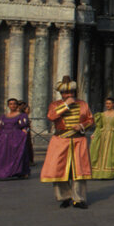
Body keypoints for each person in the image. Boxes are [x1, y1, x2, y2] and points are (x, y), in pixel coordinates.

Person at [41, 76, 94, 209]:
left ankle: (78, 198)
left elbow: (90, 120)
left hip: (78, 140)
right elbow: (51, 116)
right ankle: (64, 197)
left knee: (79, 170)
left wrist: (81, 126)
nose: (68, 94)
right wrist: (66, 105)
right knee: (59, 170)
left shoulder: (83, 104)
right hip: (60, 140)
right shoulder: (55, 105)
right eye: (65, 93)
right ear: (61, 94)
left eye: (70, 92)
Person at [0, 98, 31, 181]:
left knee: (16, 155)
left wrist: (24, 132)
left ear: (17, 105)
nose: (12, 105)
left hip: (15, 137)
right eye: (10, 104)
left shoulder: (21, 115)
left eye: (14, 104)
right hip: (3, 138)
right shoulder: (4, 116)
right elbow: (1, 126)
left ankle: (20, 172)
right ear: (8, 105)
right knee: (0, 155)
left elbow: (25, 126)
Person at [90, 97, 114, 179]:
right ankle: (98, 172)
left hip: (113, 136)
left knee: (112, 153)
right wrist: (94, 134)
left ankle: (110, 172)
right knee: (100, 153)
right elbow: (99, 127)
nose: (108, 105)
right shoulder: (102, 115)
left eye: (109, 103)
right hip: (102, 136)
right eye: (107, 103)